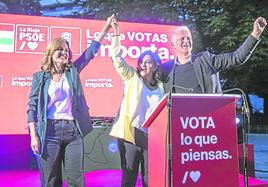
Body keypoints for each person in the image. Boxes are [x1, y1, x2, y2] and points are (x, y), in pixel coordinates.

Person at [27, 15, 114, 187]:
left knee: (76, 180)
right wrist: (33, 136)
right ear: (51, 53)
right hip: (49, 132)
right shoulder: (40, 77)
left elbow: (91, 51)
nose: (64, 53)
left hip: (73, 131)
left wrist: (106, 27)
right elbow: (32, 107)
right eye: (60, 49)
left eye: (67, 50)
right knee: (51, 181)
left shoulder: (72, 71)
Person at [109, 17, 167, 187]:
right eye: (141, 61)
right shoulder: (132, 78)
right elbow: (117, 58)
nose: (143, 64)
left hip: (153, 137)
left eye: (147, 61)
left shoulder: (162, 87)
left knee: (151, 179)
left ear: (155, 65)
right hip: (131, 135)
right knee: (129, 179)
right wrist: (116, 34)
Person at [163, 17, 267, 94]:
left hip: (208, 120)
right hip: (179, 121)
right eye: (182, 39)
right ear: (173, 45)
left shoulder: (206, 60)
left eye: (188, 38)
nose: (186, 41)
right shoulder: (166, 70)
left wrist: (255, 34)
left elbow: (236, 57)